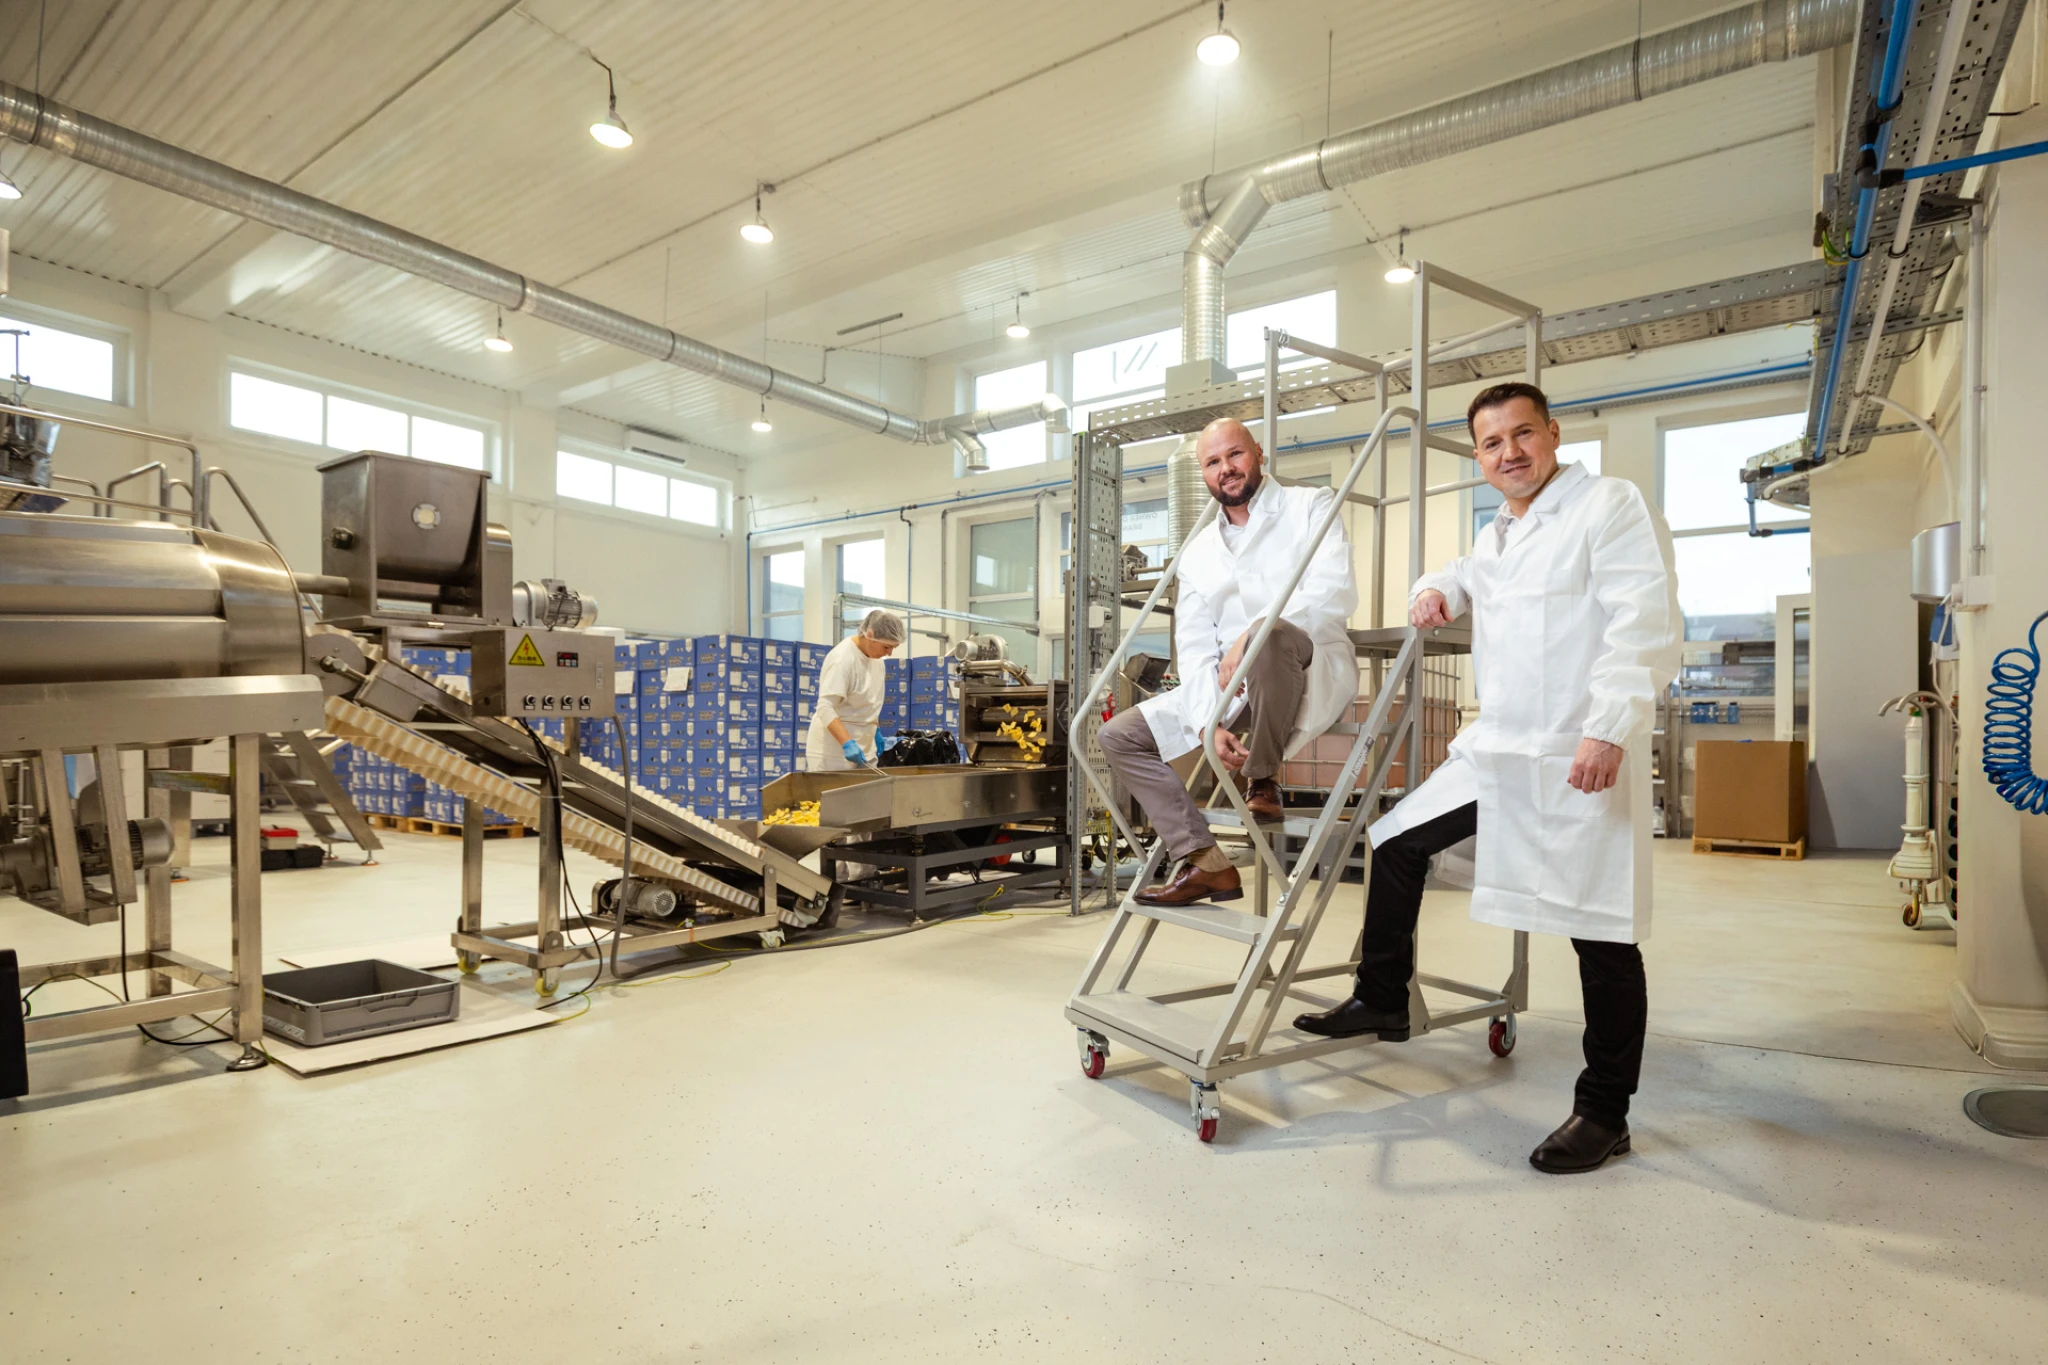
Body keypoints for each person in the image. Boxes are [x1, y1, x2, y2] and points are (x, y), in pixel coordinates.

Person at [1295, 381, 1680, 1175]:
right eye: (1492, 443)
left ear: (1554, 433)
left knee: (1601, 930)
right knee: (1394, 839)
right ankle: (1383, 996)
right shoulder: (1498, 531)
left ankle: (1605, 1111)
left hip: (1578, 748)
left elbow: (1643, 621)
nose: (1510, 453)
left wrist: (1609, 727)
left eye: (1523, 434)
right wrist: (1436, 591)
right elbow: (1462, 574)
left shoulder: (1606, 505)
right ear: (1478, 456)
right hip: (1501, 749)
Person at [1096, 417, 1358, 907]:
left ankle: (1263, 777)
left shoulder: (1310, 505)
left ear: (1257, 452)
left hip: (1304, 660)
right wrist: (1205, 724)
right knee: (1118, 736)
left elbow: (1333, 592)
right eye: (1212, 462)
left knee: (1269, 636)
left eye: (1235, 454)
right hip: (1230, 683)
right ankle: (1204, 859)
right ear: (1203, 473)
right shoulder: (1198, 552)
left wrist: (1252, 633)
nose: (1226, 469)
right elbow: (1195, 644)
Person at [804, 609, 905, 771]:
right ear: (870, 635)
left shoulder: (877, 661)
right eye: (886, 647)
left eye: (894, 647)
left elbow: (871, 702)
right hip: (833, 752)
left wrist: (876, 729)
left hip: (865, 747)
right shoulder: (843, 660)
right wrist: (847, 743)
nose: (889, 653)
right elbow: (825, 707)